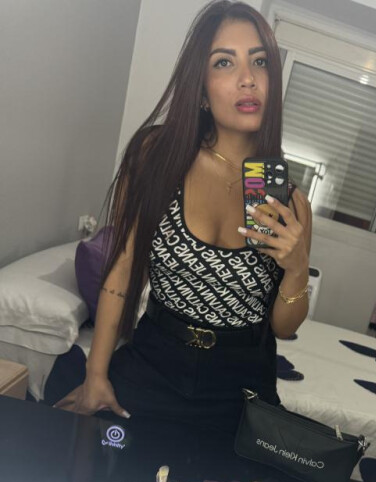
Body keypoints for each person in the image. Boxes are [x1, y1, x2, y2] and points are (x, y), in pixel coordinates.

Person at [56, 0, 311, 435]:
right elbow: (122, 269)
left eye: (260, 61)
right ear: (201, 89)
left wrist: (297, 267)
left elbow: (284, 329)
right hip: (154, 362)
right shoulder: (155, 157)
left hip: (241, 388)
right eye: (225, 62)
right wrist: (96, 374)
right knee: (88, 462)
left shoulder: (290, 201)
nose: (248, 78)